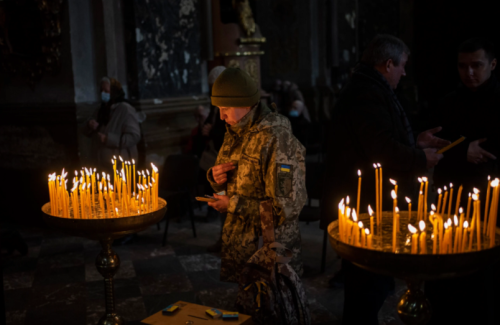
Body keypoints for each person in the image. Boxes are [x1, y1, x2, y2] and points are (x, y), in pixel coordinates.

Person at [320, 34, 449, 325]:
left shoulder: (369, 88)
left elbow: (380, 140)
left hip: (368, 200)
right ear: (388, 63)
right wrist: (421, 158)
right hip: (364, 203)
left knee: (373, 286)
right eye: (402, 66)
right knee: (367, 290)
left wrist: (415, 142)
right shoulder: (366, 93)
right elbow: (381, 150)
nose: (404, 72)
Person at [205, 67, 307, 283]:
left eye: (225, 108)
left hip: (271, 254)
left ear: (244, 103)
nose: (221, 116)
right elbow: (228, 179)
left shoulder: (276, 138)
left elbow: (284, 208)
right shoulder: (235, 131)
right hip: (243, 249)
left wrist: (231, 204)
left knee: (273, 312)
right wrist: (215, 179)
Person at [427, 38, 500, 325]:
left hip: (493, 203)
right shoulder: (447, 102)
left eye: (476, 65)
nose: (469, 72)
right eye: (463, 66)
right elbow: (433, 145)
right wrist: (462, 151)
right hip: (454, 197)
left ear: (492, 65)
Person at [83, 77, 141, 168]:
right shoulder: (101, 109)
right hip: (102, 164)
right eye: (101, 91)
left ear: (114, 91)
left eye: (106, 91)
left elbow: (134, 136)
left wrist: (108, 139)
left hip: (120, 165)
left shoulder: (125, 109)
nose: (103, 94)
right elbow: (86, 131)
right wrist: (90, 124)